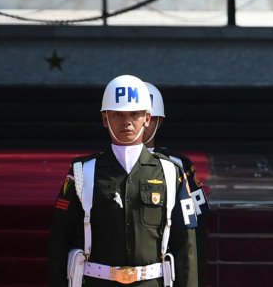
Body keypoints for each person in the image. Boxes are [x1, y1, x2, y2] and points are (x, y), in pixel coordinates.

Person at [48, 74, 198, 286]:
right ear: (104, 118)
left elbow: (186, 247)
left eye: (134, 114)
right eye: (118, 114)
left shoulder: (171, 172)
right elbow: (59, 240)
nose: (126, 122)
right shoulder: (83, 171)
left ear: (147, 118)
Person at [143, 82, 209, 287]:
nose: (141, 124)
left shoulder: (178, 166)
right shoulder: (97, 166)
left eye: (148, 117)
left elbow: (196, 224)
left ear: (159, 121)